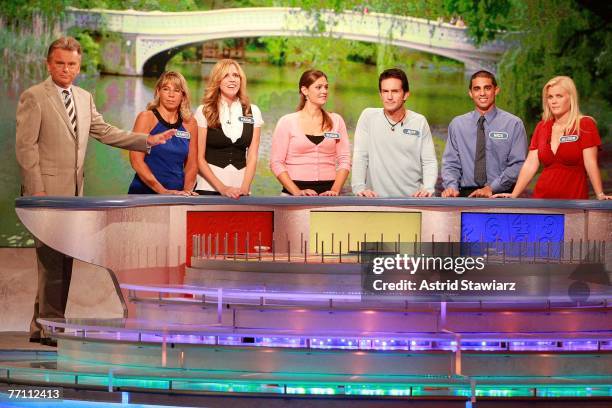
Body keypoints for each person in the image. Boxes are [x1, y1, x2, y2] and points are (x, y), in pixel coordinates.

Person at [15, 36, 174, 346]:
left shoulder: (84, 98)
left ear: (78, 67)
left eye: (71, 64)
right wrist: (38, 197)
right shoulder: (33, 97)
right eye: (59, 63)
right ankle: (50, 328)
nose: (66, 69)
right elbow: (26, 149)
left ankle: (41, 325)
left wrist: (146, 141)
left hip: (73, 198)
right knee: (51, 262)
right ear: (49, 64)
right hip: (45, 196)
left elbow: (105, 131)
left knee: (63, 261)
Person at [493, 76, 611, 200]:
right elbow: (530, 164)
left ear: (571, 98)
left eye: (559, 96)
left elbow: (590, 162)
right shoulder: (542, 127)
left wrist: (600, 194)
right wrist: (514, 194)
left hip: (574, 203)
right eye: (550, 97)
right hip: (542, 200)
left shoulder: (585, 124)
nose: (553, 101)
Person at [352, 68, 438, 198]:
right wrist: (359, 188)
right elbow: (360, 156)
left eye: (395, 91)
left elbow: (429, 161)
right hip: (375, 201)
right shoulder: (368, 117)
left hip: (413, 201)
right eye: (385, 91)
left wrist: (428, 188)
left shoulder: (419, 122)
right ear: (380, 94)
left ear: (406, 94)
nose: (389, 97)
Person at [441, 70, 527, 198]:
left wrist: (492, 188)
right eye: (477, 89)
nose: (482, 93)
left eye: (487, 88)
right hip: (464, 195)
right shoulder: (457, 124)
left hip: (500, 194)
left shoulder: (513, 124)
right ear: (470, 93)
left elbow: (518, 164)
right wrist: (451, 187)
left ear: (496, 90)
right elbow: (451, 163)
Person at [270, 69, 351, 196]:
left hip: (330, 194)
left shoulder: (337, 121)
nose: (324, 91)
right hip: (293, 194)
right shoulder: (287, 122)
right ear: (305, 90)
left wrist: (334, 191)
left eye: (326, 87)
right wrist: (297, 192)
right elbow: (276, 163)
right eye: (318, 87)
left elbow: (345, 160)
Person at [194, 59, 262, 198]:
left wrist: (245, 187)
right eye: (226, 76)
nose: (232, 80)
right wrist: (223, 188)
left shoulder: (253, 111)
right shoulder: (204, 111)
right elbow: (198, 157)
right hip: (208, 187)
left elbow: (253, 156)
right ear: (217, 80)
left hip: (241, 190)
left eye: (236, 76)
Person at [128, 71, 198, 195]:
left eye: (176, 90)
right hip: (144, 193)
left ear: (183, 95)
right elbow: (136, 161)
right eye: (166, 89)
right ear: (158, 92)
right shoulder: (146, 117)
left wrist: (187, 192)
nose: (171, 95)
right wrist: (162, 191)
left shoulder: (190, 123)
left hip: (177, 195)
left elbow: (192, 164)